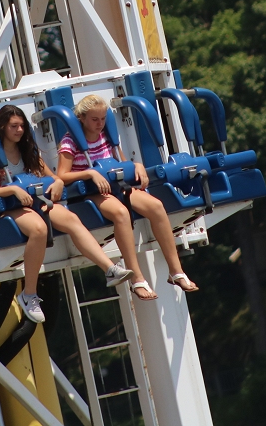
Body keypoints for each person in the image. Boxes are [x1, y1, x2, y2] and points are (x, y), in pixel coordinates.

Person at [0, 104, 133, 323]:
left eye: (22, 126)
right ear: (2, 127)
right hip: (7, 207)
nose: (19, 130)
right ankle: (29, 294)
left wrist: (58, 183)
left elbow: (52, 176)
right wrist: (13, 189)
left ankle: (109, 269)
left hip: (35, 202)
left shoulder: (28, 150)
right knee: (39, 229)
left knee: (71, 219)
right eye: (14, 126)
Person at [55, 94, 199, 301]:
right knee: (121, 213)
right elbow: (61, 176)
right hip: (91, 192)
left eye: (103, 119)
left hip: (116, 186)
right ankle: (137, 279)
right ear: (82, 118)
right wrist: (90, 173)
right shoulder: (70, 141)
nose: (99, 124)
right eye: (95, 119)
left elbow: (121, 162)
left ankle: (176, 272)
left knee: (156, 206)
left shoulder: (106, 135)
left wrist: (137, 166)